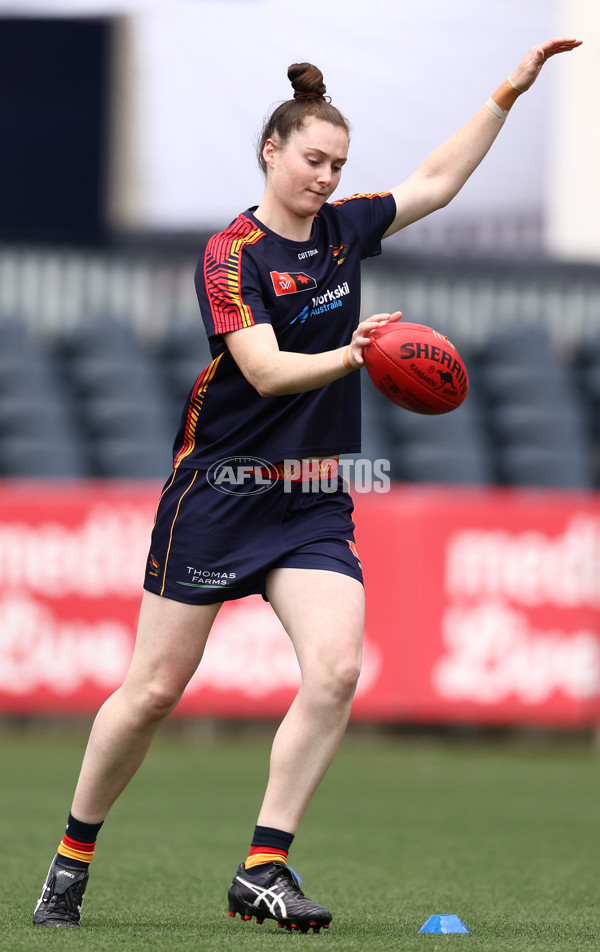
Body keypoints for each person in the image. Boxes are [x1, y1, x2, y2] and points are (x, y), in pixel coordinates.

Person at [33, 37, 581, 932]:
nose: (326, 178)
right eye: (313, 160)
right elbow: (265, 370)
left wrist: (506, 96)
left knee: (336, 671)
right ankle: (72, 855)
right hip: (218, 492)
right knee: (154, 691)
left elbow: (436, 182)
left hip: (314, 496)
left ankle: (264, 865)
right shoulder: (230, 253)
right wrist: (355, 350)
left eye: (338, 165)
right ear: (271, 152)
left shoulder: (344, 230)